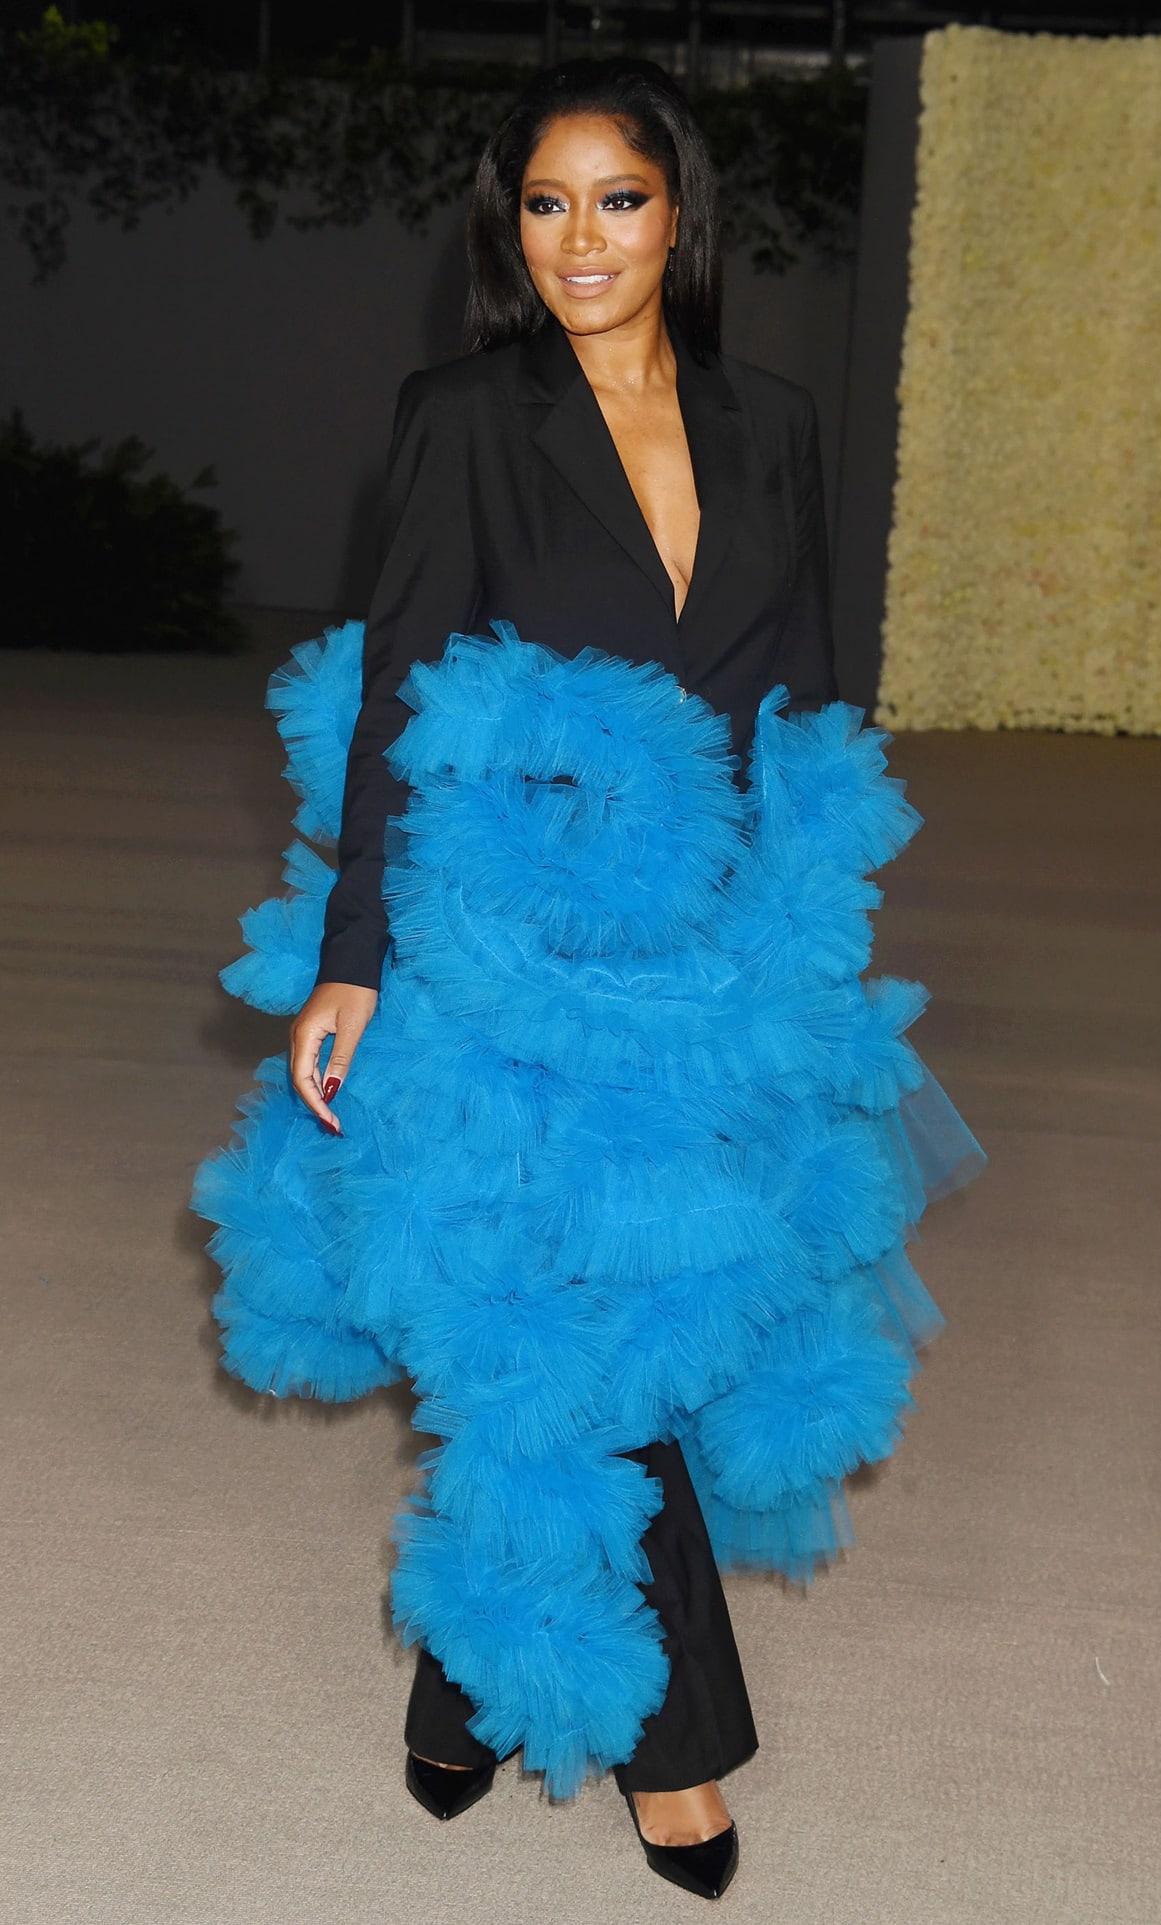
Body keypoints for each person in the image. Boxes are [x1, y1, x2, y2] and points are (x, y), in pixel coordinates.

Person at [195, 56, 982, 1905]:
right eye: (544, 206)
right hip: (513, 955)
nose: (581, 242)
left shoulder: (776, 422)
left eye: (617, 200)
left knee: (640, 1320)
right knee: (576, 1343)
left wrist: (806, 950)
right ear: (510, 230)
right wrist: (352, 961)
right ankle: (682, 1753)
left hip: (706, 959)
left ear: (681, 215)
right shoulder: (466, 417)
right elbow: (404, 695)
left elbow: (802, 701)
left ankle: (463, 1694)